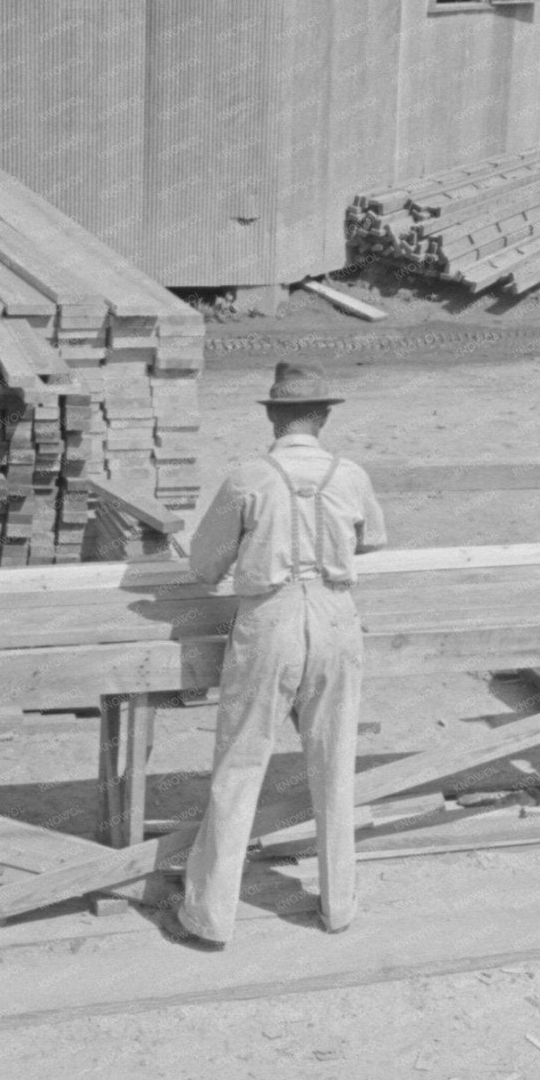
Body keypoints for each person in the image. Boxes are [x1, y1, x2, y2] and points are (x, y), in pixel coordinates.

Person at [164, 362, 388, 951]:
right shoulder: (352, 474)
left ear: (271, 416)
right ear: (324, 417)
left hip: (269, 620)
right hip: (337, 618)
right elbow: (373, 540)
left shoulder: (248, 477)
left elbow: (203, 564)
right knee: (335, 762)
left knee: (240, 765)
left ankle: (210, 916)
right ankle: (339, 907)